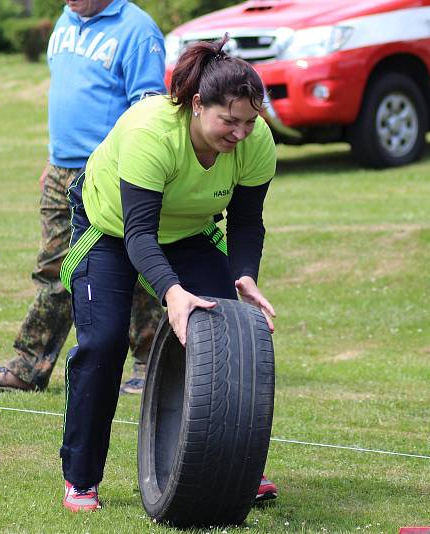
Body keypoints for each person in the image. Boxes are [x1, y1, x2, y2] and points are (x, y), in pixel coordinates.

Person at [59, 36, 279, 512]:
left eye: (249, 121)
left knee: (225, 335)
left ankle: (235, 465)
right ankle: (81, 478)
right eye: (229, 121)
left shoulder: (256, 141)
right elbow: (140, 233)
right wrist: (172, 292)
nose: (241, 133)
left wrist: (243, 274)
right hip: (113, 228)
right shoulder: (151, 132)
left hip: (188, 231)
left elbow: (245, 221)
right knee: (105, 341)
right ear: (198, 105)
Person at [0, 0, 166, 395]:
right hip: (61, 168)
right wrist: (53, 157)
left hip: (110, 169)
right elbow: (72, 96)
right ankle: (28, 367)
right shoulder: (66, 18)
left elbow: (149, 110)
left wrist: (130, 171)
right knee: (55, 267)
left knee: (134, 265)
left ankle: (153, 367)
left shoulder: (138, 30)